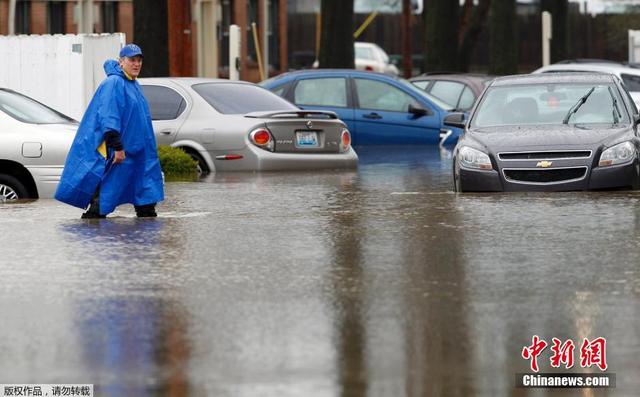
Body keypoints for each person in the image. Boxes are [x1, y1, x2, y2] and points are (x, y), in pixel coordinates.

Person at [55, 44, 164, 218]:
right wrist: (118, 149)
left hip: (139, 156)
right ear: (121, 62)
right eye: (132, 60)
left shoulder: (133, 84)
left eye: (139, 60)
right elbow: (109, 118)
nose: (136, 64)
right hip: (121, 154)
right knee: (104, 201)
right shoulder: (113, 83)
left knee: (146, 205)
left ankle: (143, 242)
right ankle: (95, 239)